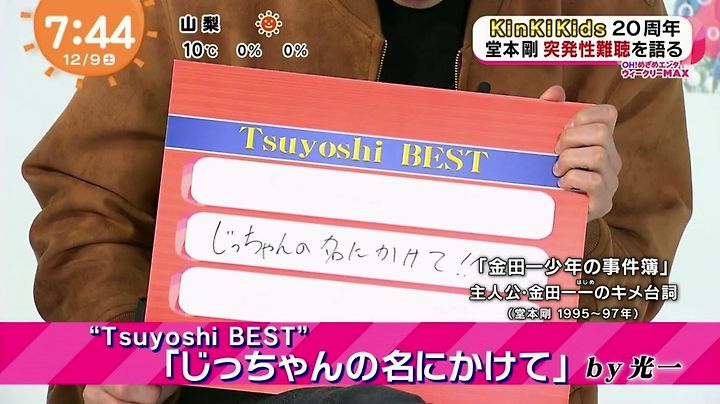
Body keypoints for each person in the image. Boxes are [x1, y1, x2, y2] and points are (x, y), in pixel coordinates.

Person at [23, 0, 692, 403]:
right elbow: (88, 202)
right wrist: (113, 344)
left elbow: (628, 306)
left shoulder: (614, 21)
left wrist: (583, 226)